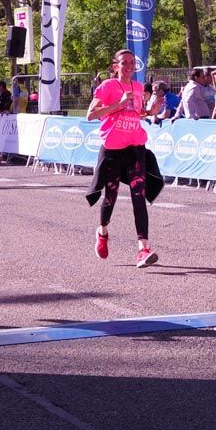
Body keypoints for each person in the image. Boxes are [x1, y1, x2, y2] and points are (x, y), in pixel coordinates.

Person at [85, 49, 162, 268]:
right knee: (111, 197)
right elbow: (91, 114)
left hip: (135, 148)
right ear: (115, 66)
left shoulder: (138, 87)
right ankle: (102, 231)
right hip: (113, 150)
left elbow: (136, 113)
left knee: (139, 196)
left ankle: (143, 249)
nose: (129, 66)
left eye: (132, 62)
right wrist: (118, 104)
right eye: (124, 63)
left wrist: (150, 111)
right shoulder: (107, 86)